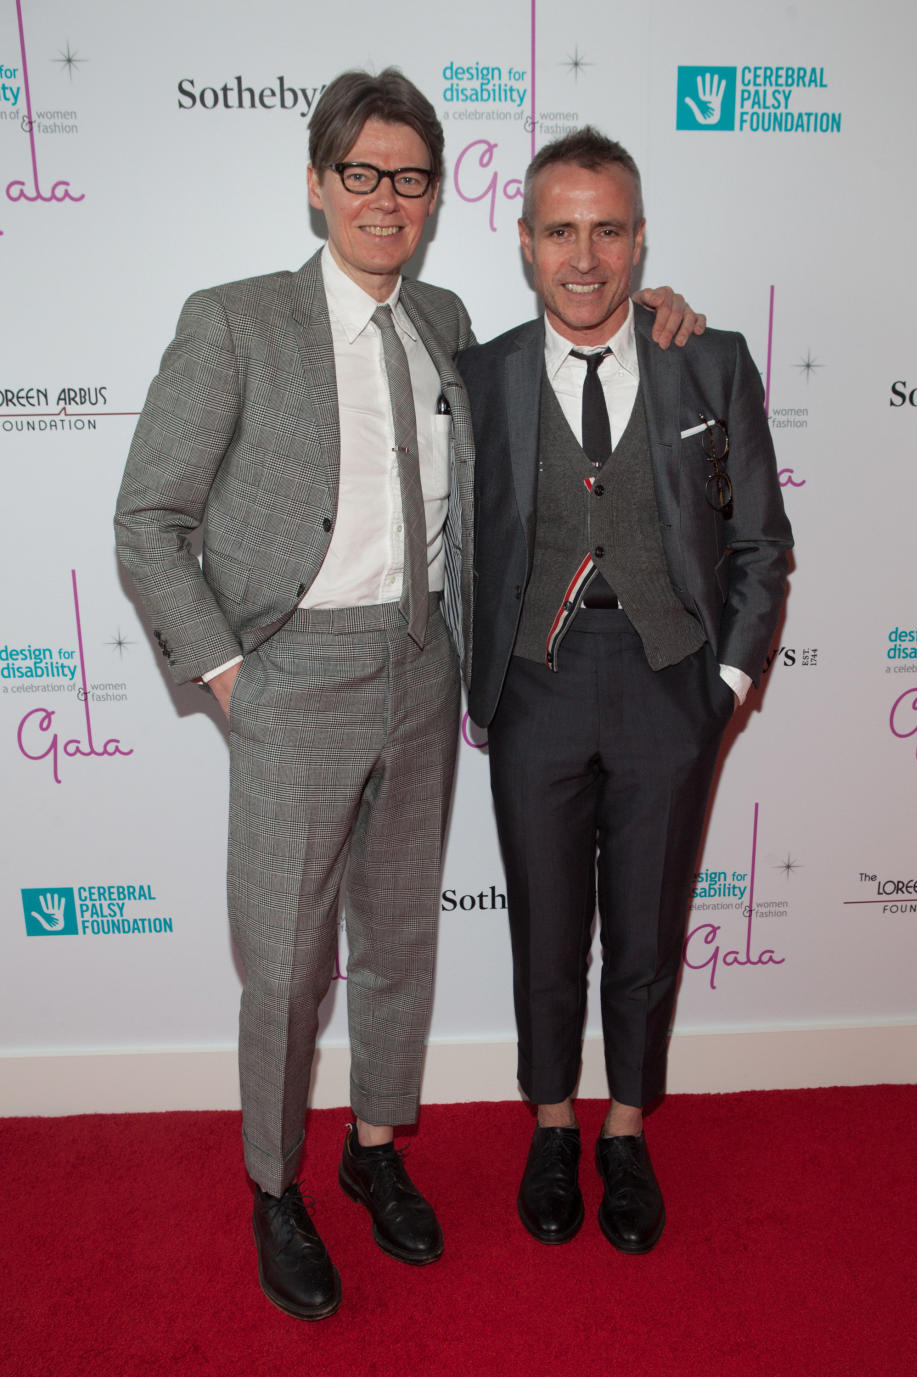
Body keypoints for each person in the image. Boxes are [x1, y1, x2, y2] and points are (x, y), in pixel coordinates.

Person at [115, 74, 699, 1319]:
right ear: (320, 184)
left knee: (399, 947)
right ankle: (277, 1189)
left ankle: (374, 1149)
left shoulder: (445, 318)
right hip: (293, 678)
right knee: (283, 967)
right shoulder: (236, 322)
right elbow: (149, 521)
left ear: (437, 198)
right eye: (364, 174)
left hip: (427, 669)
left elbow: (573, 356)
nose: (389, 200)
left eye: (412, 178)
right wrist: (230, 677)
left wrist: (656, 318)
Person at [459, 128, 792, 1255]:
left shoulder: (709, 361)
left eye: (609, 230)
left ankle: (625, 1130)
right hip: (537, 688)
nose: (586, 257)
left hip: (668, 686)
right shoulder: (482, 374)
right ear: (525, 244)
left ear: (641, 241)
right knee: (548, 933)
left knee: (646, 935)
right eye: (562, 231)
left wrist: (728, 683)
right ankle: (551, 1125)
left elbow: (760, 542)